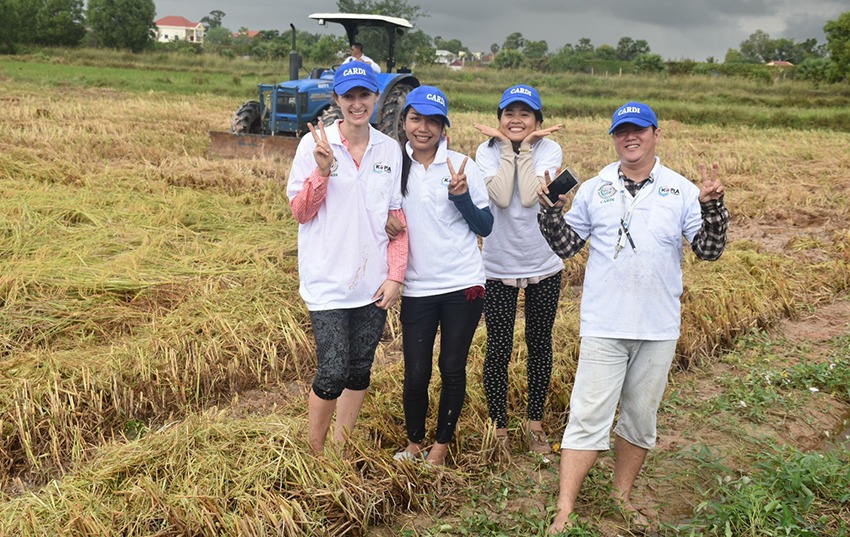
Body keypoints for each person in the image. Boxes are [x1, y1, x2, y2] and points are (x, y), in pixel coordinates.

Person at [538, 101, 729, 533]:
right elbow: (567, 246)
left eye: (639, 130)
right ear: (614, 138)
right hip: (604, 323)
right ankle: (565, 509)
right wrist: (549, 212)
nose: (630, 137)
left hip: (657, 326)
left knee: (640, 418)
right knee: (587, 416)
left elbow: (709, 250)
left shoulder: (681, 190)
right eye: (622, 131)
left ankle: (621, 497)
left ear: (655, 134)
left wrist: (714, 207)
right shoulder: (595, 188)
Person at [286, 61, 407, 455]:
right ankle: (316, 452)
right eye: (349, 96)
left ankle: (341, 448)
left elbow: (396, 217)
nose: (357, 103)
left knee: (358, 371)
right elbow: (301, 211)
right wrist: (321, 173)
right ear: (336, 98)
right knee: (333, 371)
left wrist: (395, 275)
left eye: (364, 95)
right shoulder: (314, 146)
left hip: (372, 281)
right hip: (327, 279)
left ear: (376, 97)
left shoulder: (389, 149)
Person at [386, 86, 493, 466]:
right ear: (404, 121)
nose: (423, 128)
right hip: (417, 286)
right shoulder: (394, 165)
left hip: (463, 285)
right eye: (416, 119)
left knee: (451, 367)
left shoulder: (462, 165)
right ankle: (414, 443)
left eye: (433, 121)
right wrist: (384, 223)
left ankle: (440, 447)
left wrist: (461, 196)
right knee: (416, 372)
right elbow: (376, 210)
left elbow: (485, 226)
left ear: (444, 128)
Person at [473, 84, 564, 453]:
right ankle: (499, 427)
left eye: (525, 114)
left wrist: (523, 148)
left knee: (540, 343)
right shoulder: (485, 151)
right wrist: (507, 149)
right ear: (499, 119)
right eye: (509, 113)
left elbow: (529, 197)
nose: (516, 119)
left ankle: (534, 423)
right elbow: (499, 196)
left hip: (544, 262)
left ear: (537, 121)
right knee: (498, 346)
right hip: (498, 265)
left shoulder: (550, 149)